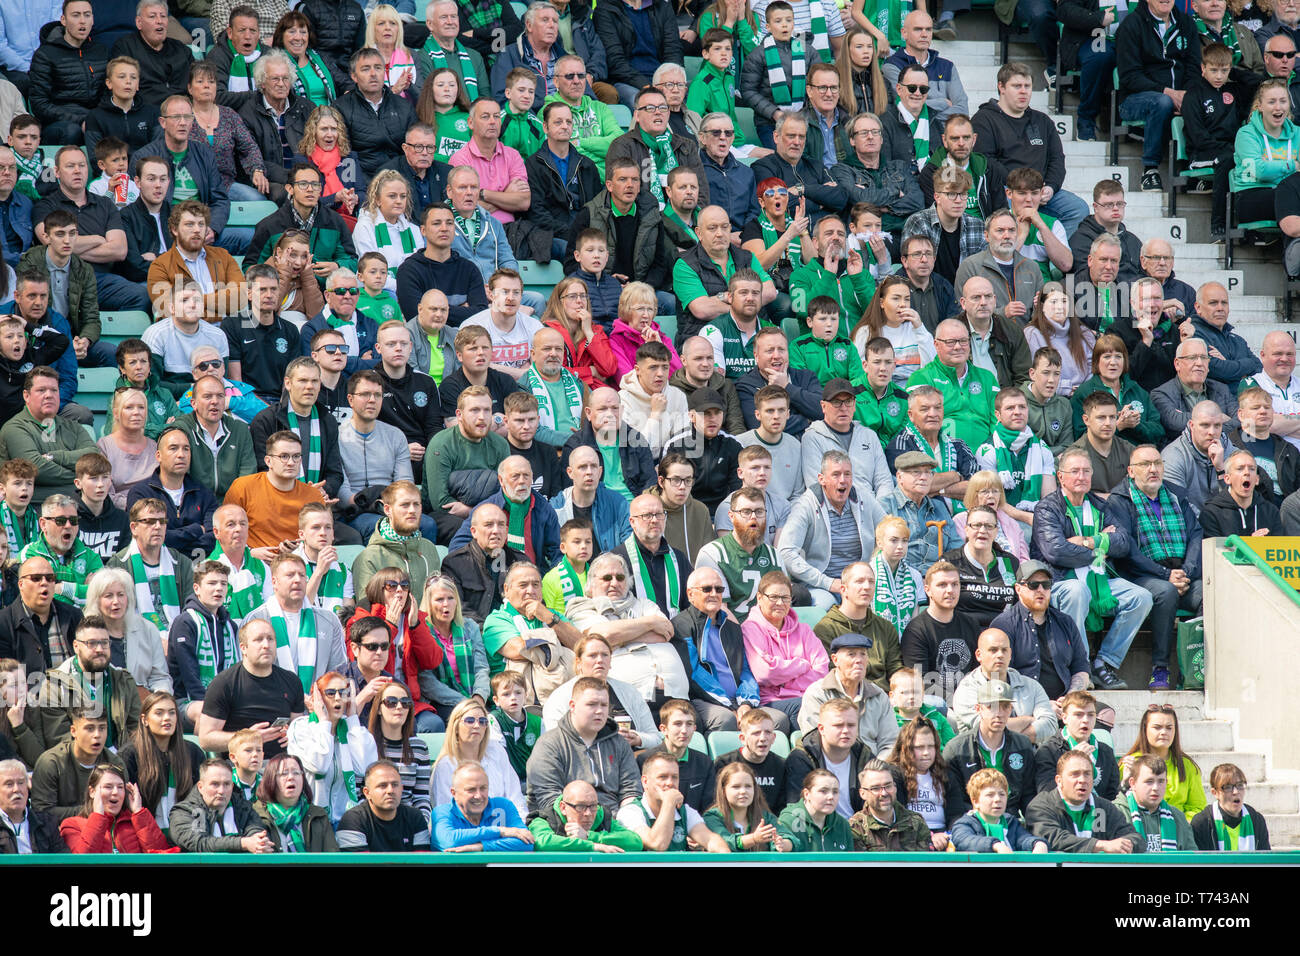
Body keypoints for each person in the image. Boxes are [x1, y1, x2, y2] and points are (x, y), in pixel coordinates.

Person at [1102, 446, 1203, 690]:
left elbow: (1196, 534)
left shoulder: (1177, 495)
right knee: (1164, 592)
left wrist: (1186, 572)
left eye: (1157, 463)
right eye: (1145, 464)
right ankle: (1161, 668)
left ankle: (1196, 667)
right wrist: (1165, 575)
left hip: (1182, 573)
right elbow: (1127, 548)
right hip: (1141, 575)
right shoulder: (1120, 500)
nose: (1153, 469)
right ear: (1130, 471)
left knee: (1209, 593)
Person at [970, 62, 1088, 235]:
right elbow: (986, 162)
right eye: (1017, 86)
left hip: (1041, 192)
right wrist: (1022, 190)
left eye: (1028, 86)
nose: (1023, 91)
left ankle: (1050, 254)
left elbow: (1057, 159)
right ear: (1001, 87)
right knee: (1007, 208)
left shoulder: (1043, 121)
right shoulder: (984, 119)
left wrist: (1050, 188)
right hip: (1007, 192)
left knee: (1078, 209)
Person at [525, 676, 642, 816]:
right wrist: (593, 821)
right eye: (592, 704)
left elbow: (631, 791)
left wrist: (628, 818)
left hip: (615, 821)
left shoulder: (619, 744)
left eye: (604, 705)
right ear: (572, 706)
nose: (599, 711)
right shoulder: (549, 744)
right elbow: (549, 799)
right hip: (564, 822)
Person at [197, 619, 306, 758]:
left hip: (282, 767)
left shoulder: (292, 681)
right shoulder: (224, 684)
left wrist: (291, 734)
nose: (266, 645)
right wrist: (247, 738)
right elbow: (206, 739)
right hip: (240, 768)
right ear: (243, 648)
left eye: (270, 639)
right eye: (258, 640)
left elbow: (297, 727)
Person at [989, 560, 1091, 701]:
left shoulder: (1065, 622)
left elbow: (1081, 666)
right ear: (1018, 589)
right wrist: (1041, 705)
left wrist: (1070, 698)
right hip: (1022, 706)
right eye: (1033, 585)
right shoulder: (1004, 625)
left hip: (1065, 706)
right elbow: (998, 675)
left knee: (1106, 715)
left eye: (1046, 585)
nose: (1041, 590)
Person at [37, 613, 142, 751]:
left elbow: (136, 730)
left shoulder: (124, 680)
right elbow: (58, 739)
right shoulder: (54, 685)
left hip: (122, 761)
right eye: (91, 643)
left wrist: (122, 760)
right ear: (76, 646)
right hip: (77, 765)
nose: (99, 649)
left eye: (104, 642)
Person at [0, 368, 95, 504]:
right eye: (41, 390)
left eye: (54, 390)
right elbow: (36, 468)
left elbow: (93, 458)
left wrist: (56, 457)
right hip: (35, 508)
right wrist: (82, 477)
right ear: (26, 396)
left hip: (78, 505)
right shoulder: (14, 428)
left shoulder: (73, 426)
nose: (49, 395)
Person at [950, 626, 1056, 746]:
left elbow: (1050, 725)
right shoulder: (967, 690)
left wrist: (1014, 740)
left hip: (1029, 758)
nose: (1000, 655)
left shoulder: (1031, 686)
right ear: (979, 655)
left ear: (1010, 654)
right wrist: (1028, 720)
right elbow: (985, 728)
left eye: (1004, 650)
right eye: (993, 650)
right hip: (979, 759)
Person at [1025, 750, 1142, 852]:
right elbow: (1055, 839)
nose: (1082, 780)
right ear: (1059, 780)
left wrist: (1124, 845)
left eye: (1087, 774)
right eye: (1075, 774)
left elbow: (1136, 839)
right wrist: (1101, 845)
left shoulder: (1104, 807)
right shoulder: (1041, 806)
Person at [615, 750, 730, 852]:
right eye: (663, 777)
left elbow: (712, 840)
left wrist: (721, 851)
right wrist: (669, 803)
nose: (670, 783)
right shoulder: (629, 812)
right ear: (645, 781)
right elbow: (657, 845)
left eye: (674, 777)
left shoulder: (685, 812)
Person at [84, 565, 170, 696]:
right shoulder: (86, 633)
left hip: (142, 705)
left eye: (120, 595)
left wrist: (158, 699)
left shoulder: (148, 629)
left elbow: (160, 677)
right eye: (108, 596)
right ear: (97, 601)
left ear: (128, 597)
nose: (116, 601)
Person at [30, 710, 125, 823]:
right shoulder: (51, 763)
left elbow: (125, 808)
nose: (97, 735)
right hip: (60, 834)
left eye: (102, 728)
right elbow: (42, 812)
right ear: (73, 731)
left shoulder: (115, 764)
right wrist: (92, 810)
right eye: (90, 728)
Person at [58, 762, 172, 853]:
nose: (115, 792)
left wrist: (139, 812)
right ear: (92, 792)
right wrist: (98, 816)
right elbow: (82, 861)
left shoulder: (136, 823)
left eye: (120, 787)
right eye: (108, 787)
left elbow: (161, 854)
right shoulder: (72, 825)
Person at [167, 757, 273, 853]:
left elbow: (256, 831)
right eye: (215, 784)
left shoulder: (243, 807)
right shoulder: (185, 812)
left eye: (226, 784)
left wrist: (259, 841)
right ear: (200, 787)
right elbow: (199, 843)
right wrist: (243, 843)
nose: (221, 791)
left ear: (232, 786)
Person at [18, 495, 104, 609]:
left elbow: (102, 595)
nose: (68, 526)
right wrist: (83, 592)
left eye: (73, 520)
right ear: (43, 524)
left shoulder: (91, 557)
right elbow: (36, 598)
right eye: (60, 521)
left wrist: (64, 588)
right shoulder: (30, 555)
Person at [335, 758, 431, 851]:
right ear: (367, 793)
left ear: (402, 788)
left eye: (395, 785)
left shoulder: (415, 817)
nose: (390, 791)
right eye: (382, 786)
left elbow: (422, 861)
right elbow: (360, 864)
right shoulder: (353, 820)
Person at [250, 751, 338, 851]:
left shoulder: (318, 815)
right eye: (284, 773)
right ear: (271, 779)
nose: (291, 777)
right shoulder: (255, 814)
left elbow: (333, 855)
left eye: (296, 773)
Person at [950, 767, 1048, 852]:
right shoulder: (963, 824)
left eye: (1002, 794)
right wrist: (995, 845)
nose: (997, 799)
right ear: (975, 801)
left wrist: (1037, 843)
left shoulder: (1011, 822)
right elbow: (964, 841)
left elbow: (1024, 839)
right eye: (990, 795)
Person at [1161, 400, 1233, 516]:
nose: (1212, 432)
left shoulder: (1233, 454)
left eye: (1217, 426)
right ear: (1192, 425)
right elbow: (1178, 506)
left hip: (1228, 526)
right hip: (1193, 529)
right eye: (1205, 425)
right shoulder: (1172, 457)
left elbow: (1241, 501)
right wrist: (1211, 526)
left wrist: (1221, 469)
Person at [1201, 449, 1283, 536]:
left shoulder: (1271, 512)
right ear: (1227, 479)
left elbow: (1279, 547)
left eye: (1252, 469)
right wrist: (1251, 543)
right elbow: (1215, 549)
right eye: (1240, 469)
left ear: (1257, 479)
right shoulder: (1211, 513)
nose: (1247, 473)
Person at [1191, 762, 1272, 851]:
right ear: (1215, 793)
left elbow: (1265, 860)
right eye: (1228, 787)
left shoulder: (1256, 820)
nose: (1236, 792)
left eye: (1240, 785)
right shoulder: (1202, 823)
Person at [775, 767, 853, 851]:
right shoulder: (789, 820)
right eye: (823, 791)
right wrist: (783, 844)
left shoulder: (842, 824)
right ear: (807, 794)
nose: (831, 797)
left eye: (835, 792)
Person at [0, 757, 65, 853]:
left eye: (21, 783)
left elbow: (63, 859)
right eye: (9, 784)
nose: (17, 789)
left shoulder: (47, 823)